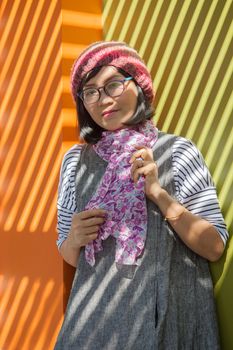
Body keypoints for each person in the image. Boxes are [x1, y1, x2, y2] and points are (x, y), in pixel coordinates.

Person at [54, 41, 228, 350]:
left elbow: (214, 246)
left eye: (113, 84)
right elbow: (69, 254)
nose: (102, 99)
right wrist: (74, 239)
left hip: (168, 325)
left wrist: (159, 194)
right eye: (90, 91)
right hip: (90, 330)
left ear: (140, 85)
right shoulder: (74, 162)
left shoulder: (177, 152)